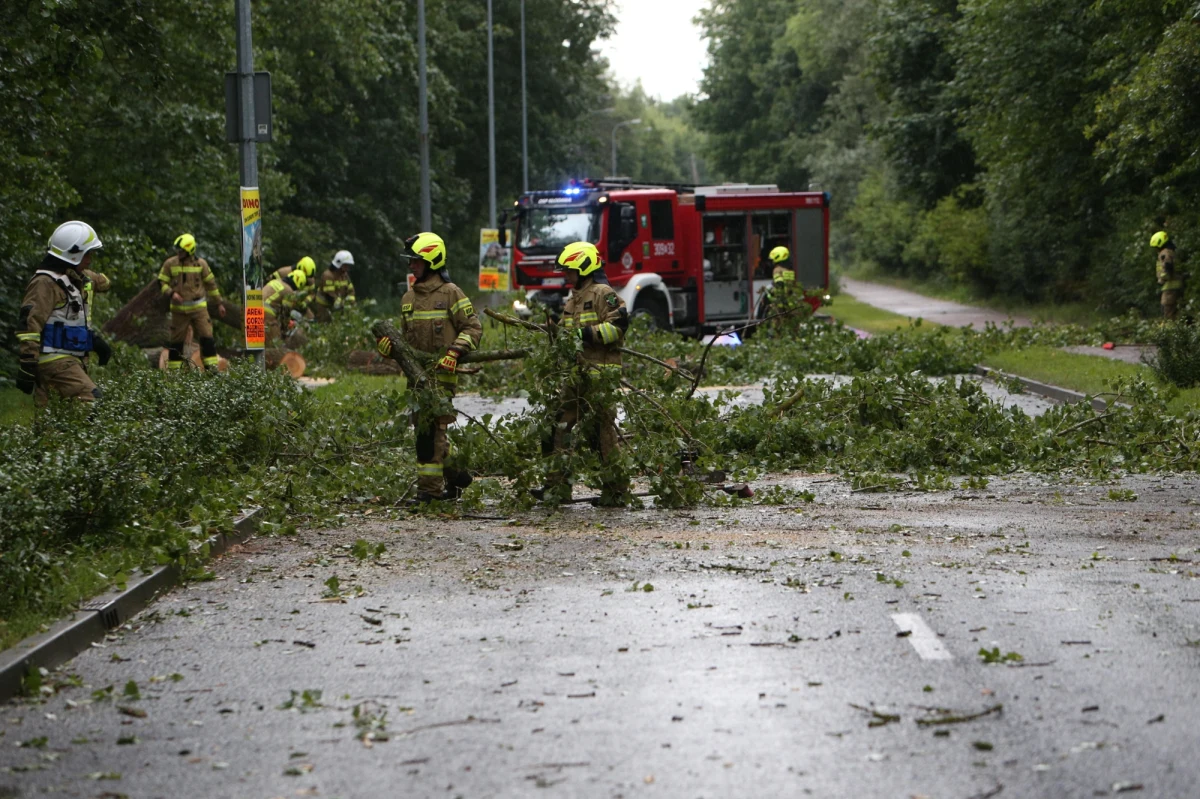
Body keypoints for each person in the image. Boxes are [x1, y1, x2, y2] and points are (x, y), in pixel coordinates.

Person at [376, 233, 481, 503]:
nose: (411, 266)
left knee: (428, 434)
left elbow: (472, 327)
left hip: (441, 378)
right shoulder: (408, 298)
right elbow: (404, 341)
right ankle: (457, 476)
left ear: (432, 261)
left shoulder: (451, 293)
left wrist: (455, 352)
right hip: (416, 381)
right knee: (431, 434)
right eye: (411, 261)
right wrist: (390, 349)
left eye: (416, 261)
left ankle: (429, 492)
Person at [534, 241, 631, 506]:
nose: (566, 275)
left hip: (600, 376)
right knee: (558, 425)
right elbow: (567, 336)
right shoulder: (573, 300)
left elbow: (619, 325)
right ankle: (557, 488)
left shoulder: (603, 293)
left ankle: (616, 491)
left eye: (569, 270)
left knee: (603, 434)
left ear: (584, 267)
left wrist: (585, 334)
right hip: (576, 377)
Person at [15, 221, 113, 405]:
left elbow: (68, 321)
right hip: (55, 362)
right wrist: (28, 363)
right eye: (87, 254)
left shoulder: (73, 279)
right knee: (91, 400)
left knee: (52, 425)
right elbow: (29, 325)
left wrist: (93, 342)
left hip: (68, 360)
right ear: (73, 255)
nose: (90, 260)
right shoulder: (45, 283)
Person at [158, 233, 225, 370]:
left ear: (189, 250)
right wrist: (171, 293)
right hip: (179, 311)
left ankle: (211, 370)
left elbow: (211, 285)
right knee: (176, 342)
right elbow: (161, 282)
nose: (179, 252)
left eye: (181, 250)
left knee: (207, 338)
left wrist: (219, 303)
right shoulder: (170, 263)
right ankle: (175, 372)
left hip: (199, 309)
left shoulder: (201, 264)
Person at [262, 269, 307, 345]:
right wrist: (285, 329)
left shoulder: (276, 281)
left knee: (254, 344)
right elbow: (285, 313)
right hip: (266, 314)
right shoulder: (289, 291)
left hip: (252, 308)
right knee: (276, 344)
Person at [313, 250, 356, 322]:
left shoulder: (344, 275)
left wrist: (352, 303)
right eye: (345, 265)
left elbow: (351, 289)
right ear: (339, 264)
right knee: (325, 326)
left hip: (337, 306)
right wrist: (342, 303)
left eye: (348, 266)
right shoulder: (328, 275)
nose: (347, 268)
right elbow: (330, 294)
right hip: (324, 306)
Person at [1151, 231, 1182, 321]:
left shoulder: (1165, 253)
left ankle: (1170, 332)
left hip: (1170, 286)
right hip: (1177, 285)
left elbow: (1168, 266)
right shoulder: (1172, 251)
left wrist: (1163, 278)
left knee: (1167, 312)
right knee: (1176, 312)